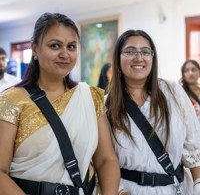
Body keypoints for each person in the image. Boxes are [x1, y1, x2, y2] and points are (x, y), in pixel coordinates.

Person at [0, 12, 120, 195]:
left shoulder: (89, 97)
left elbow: (106, 160)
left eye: (71, 47)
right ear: (34, 49)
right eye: (55, 45)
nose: (65, 54)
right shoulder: (11, 101)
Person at [105, 29, 200, 195]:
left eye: (145, 52)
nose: (139, 57)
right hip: (128, 190)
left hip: (175, 188)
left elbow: (193, 144)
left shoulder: (172, 92)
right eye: (130, 51)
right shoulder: (107, 104)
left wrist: (198, 183)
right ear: (118, 58)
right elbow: (102, 159)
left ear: (152, 58)